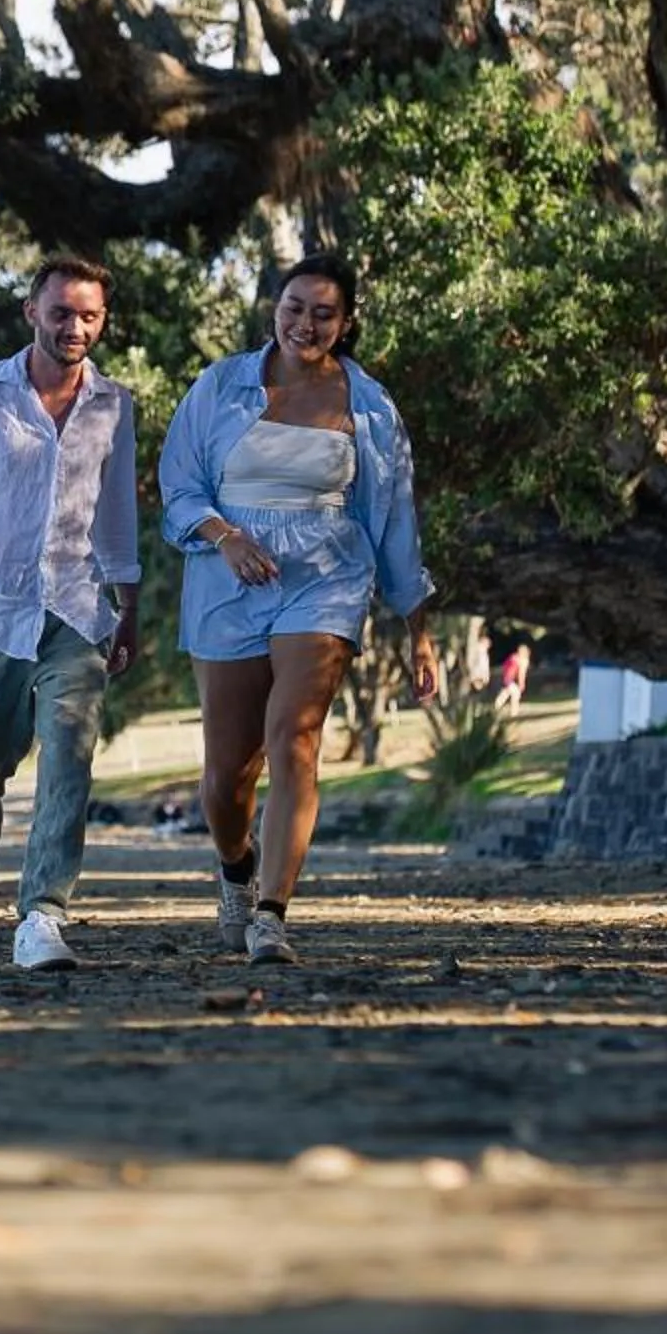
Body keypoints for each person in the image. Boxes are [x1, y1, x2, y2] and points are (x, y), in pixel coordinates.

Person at [160, 253, 437, 965]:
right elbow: (181, 487)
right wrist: (226, 538)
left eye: (323, 313)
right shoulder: (222, 386)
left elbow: (394, 516)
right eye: (294, 307)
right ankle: (235, 870)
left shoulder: (369, 406)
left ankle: (273, 915)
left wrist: (418, 626)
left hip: (328, 579)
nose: (305, 323)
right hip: (228, 583)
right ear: (274, 309)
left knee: (296, 736)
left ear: (345, 325)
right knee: (227, 777)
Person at [0, 254, 142, 972]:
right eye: (62, 311)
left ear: (102, 323)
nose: (75, 327)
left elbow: (117, 514)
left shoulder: (114, 405)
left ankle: (43, 913)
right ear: (32, 313)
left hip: (75, 610)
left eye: (89, 315)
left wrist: (127, 609)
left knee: (69, 761)